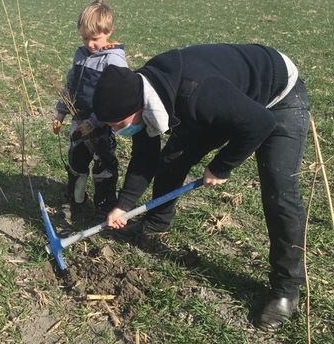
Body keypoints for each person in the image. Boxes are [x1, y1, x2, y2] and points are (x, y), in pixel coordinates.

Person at [91, 43, 310, 331]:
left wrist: (221, 166)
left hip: (277, 96)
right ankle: (156, 222)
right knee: (170, 160)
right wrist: (124, 205)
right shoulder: (143, 92)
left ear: (138, 106)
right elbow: (145, 157)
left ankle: (286, 289)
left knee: (279, 195)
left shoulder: (196, 93)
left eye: (119, 124)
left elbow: (260, 122)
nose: (118, 131)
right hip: (229, 100)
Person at [53, 0, 128, 214]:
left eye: (95, 39)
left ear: (109, 31)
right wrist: (60, 112)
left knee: (103, 165)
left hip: (101, 126)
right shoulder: (80, 55)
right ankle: (76, 198)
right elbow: (70, 87)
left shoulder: (113, 61)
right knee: (76, 161)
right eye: (85, 38)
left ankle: (104, 204)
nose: (90, 44)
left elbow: (114, 99)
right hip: (78, 122)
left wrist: (94, 122)